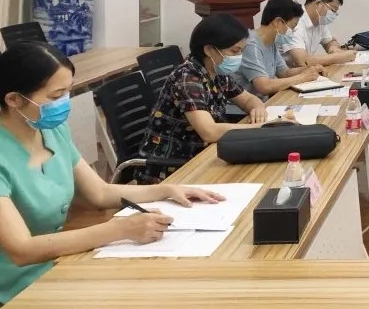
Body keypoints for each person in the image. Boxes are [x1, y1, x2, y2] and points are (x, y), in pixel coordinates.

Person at [0, 42, 223, 304]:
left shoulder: (50, 130)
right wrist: (118, 229)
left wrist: (167, 190)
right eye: (55, 95)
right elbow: (22, 250)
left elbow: (100, 192)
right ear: (14, 99)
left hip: (57, 264)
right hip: (16, 288)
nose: (63, 103)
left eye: (68, 92)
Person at [135, 13, 269, 184]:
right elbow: (209, 132)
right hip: (171, 169)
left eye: (242, 51)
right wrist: (260, 128)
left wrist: (257, 108)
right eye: (235, 51)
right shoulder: (187, 79)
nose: (239, 57)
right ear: (209, 50)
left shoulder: (217, 73)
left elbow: (249, 100)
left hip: (204, 156)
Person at [237, 0, 323, 99]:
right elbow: (264, 86)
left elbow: (284, 73)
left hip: (262, 102)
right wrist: (303, 77)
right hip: (244, 108)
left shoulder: (271, 43)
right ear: (278, 22)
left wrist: (309, 69)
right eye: (292, 27)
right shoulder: (251, 45)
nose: (293, 32)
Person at [283, 0, 356, 67]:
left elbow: (330, 41)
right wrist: (339, 57)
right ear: (318, 4)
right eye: (333, 10)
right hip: (288, 74)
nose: (334, 15)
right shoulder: (294, 21)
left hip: (306, 72)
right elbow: (303, 61)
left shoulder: (319, 22)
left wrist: (333, 49)